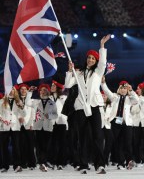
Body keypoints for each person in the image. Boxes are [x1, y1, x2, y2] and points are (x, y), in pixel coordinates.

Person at [65, 34, 111, 174]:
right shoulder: (78, 73)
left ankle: (100, 165)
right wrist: (69, 71)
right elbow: (67, 84)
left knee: (98, 136)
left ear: (95, 60)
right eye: (89, 58)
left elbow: (103, 62)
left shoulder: (98, 72)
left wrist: (102, 45)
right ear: (86, 59)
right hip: (81, 107)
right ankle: (83, 164)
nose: (90, 60)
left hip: (95, 106)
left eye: (93, 58)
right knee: (83, 137)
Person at [101, 78, 139, 170]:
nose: (123, 90)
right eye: (121, 88)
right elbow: (106, 91)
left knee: (127, 143)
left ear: (127, 90)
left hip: (126, 123)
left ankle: (128, 162)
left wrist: (131, 90)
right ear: (119, 89)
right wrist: (103, 83)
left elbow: (136, 100)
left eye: (125, 88)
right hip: (116, 122)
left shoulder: (130, 99)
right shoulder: (114, 97)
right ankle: (104, 161)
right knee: (112, 143)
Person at [0, 87, 25, 173]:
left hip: (15, 127)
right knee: (4, 147)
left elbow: (22, 114)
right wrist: (3, 120)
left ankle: (17, 165)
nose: (11, 91)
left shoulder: (18, 101)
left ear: (15, 91)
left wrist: (21, 107)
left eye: (13, 89)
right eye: (9, 89)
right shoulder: (2, 101)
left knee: (16, 147)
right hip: (4, 127)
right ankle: (4, 166)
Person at [49, 80, 68, 170]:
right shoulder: (48, 97)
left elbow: (66, 110)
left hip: (61, 122)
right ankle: (53, 162)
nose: (52, 87)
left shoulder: (63, 97)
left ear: (58, 88)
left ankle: (61, 162)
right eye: (51, 86)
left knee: (62, 143)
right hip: (52, 123)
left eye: (53, 86)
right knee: (53, 143)